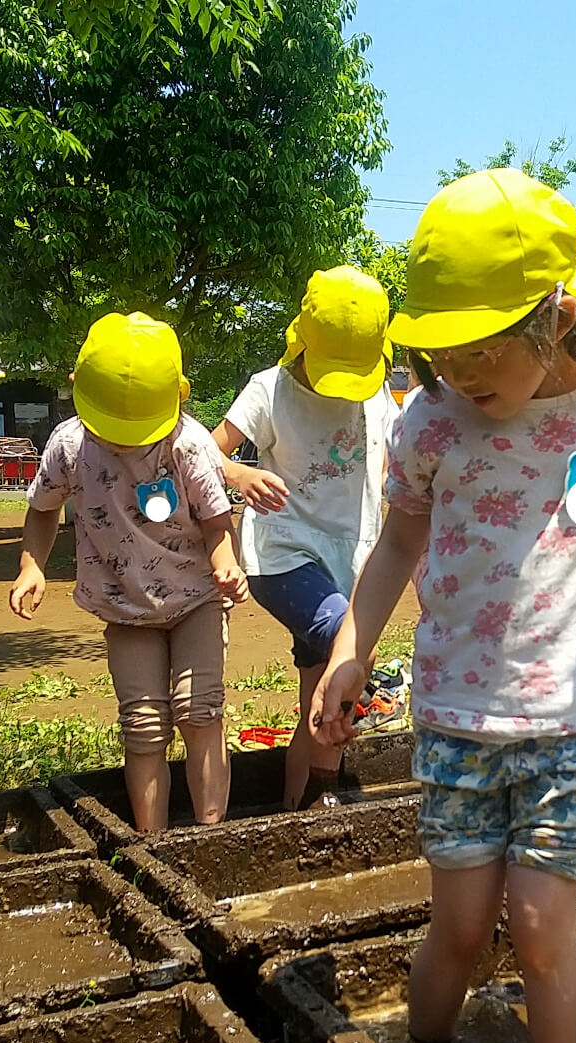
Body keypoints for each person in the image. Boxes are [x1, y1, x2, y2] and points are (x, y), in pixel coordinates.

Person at [310, 169, 576, 1043]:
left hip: (574, 712)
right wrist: (351, 653)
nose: (462, 375)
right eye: (442, 356)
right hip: (460, 708)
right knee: (460, 926)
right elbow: (395, 547)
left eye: (481, 352)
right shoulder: (427, 425)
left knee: (544, 926)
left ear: (554, 313)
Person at [11, 313, 248, 833]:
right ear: (78, 392)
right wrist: (32, 566)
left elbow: (215, 521)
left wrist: (225, 562)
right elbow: (44, 508)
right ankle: (151, 841)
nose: (124, 442)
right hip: (125, 605)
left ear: (178, 399)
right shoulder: (69, 446)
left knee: (199, 711)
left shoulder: (187, 445)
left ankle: (211, 834)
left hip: (195, 600)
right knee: (142, 725)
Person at [210, 266, 399, 810]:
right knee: (348, 642)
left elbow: (389, 467)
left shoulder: (379, 394)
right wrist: (240, 473)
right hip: (282, 555)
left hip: (350, 560)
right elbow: (203, 448)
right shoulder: (269, 390)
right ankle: (323, 803)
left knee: (318, 698)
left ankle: (300, 813)